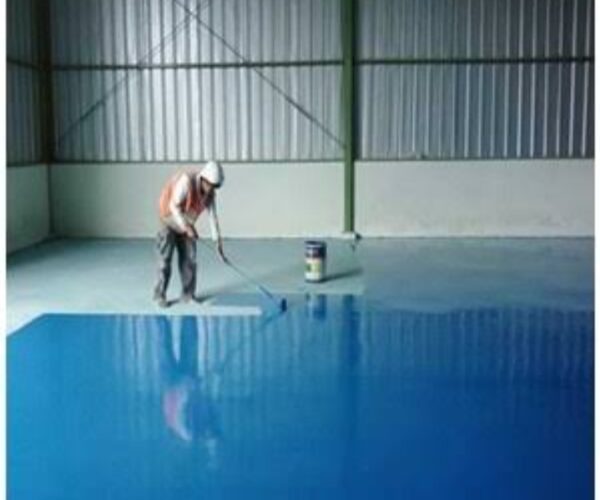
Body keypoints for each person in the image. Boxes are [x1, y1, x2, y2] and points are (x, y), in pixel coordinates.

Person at [153, 161, 227, 307]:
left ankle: (188, 295)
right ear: (204, 179)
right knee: (164, 259)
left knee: (190, 258)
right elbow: (173, 206)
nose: (212, 189)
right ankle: (159, 296)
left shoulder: (210, 194)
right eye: (210, 185)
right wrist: (186, 227)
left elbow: (213, 217)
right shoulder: (186, 181)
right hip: (168, 218)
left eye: (215, 187)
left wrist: (217, 243)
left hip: (186, 220)